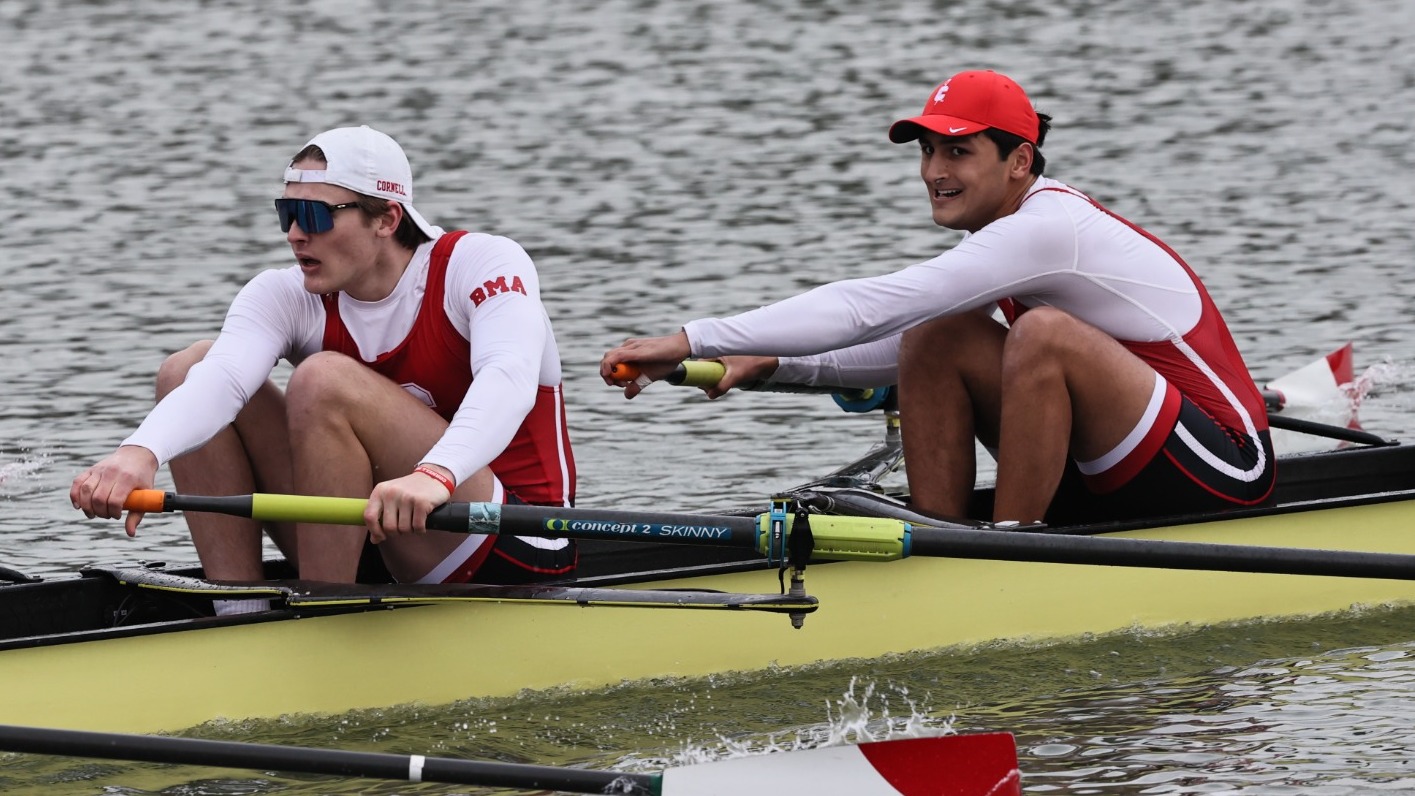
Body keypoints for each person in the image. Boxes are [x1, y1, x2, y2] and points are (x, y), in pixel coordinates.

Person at [601, 70, 1273, 526]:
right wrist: (771, 364)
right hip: (1115, 459)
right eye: (926, 151)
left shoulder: (1049, 228)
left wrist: (694, 338)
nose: (932, 172)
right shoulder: (1012, 230)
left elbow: (874, 304)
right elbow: (903, 341)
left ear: (1018, 161)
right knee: (937, 334)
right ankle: (942, 544)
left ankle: (1004, 552)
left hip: (1225, 468)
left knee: (1039, 336)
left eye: (957, 151)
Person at [72, 126, 577, 603]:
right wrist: (139, 454)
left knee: (322, 378)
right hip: (374, 534)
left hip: (514, 537)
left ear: (386, 219)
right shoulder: (284, 293)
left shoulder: (482, 264)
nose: (294, 234)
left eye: (314, 216)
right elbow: (221, 381)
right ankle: (239, 613)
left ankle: (321, 614)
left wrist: (436, 475)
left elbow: (507, 378)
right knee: (186, 368)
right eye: (286, 213)